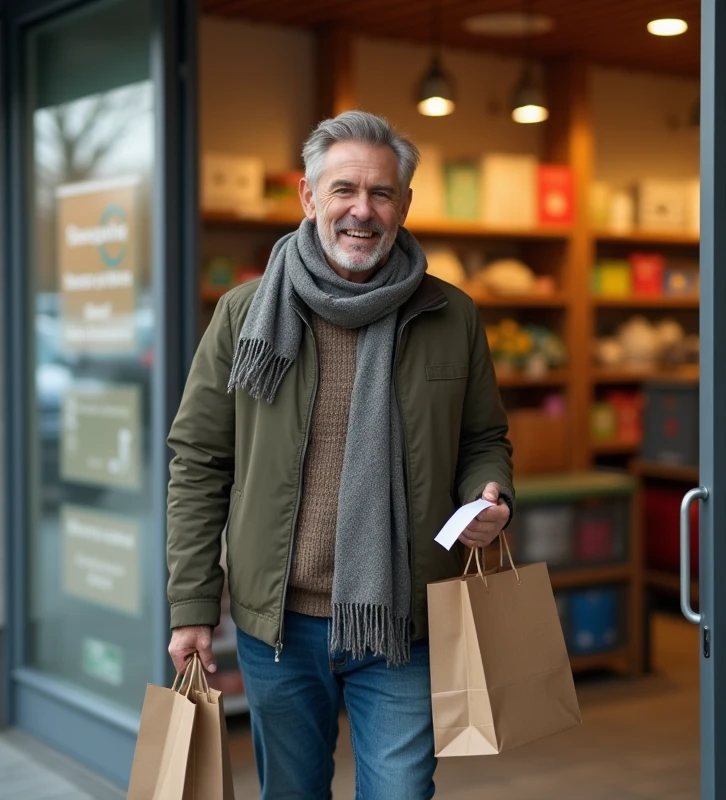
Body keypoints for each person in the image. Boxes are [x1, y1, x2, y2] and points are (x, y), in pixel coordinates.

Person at [166, 110, 514, 799]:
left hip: (404, 622)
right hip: (279, 627)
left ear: (404, 204)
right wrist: (192, 604)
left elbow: (483, 438)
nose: (362, 210)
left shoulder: (452, 315)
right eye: (344, 190)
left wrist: (490, 491)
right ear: (308, 197)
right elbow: (198, 461)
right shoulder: (242, 314)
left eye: (381, 193)